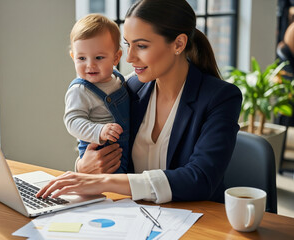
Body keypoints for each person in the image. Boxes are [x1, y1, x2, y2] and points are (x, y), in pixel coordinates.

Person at [37, 0, 242, 204]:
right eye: (127, 44)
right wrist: (84, 167)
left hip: (199, 220)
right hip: (137, 218)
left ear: (178, 44)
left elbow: (201, 180)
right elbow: (97, 145)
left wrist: (105, 181)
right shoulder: (130, 89)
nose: (129, 58)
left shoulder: (221, 98)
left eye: (141, 46)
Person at [64, 14, 129, 173]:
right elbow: (72, 121)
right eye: (81, 58)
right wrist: (99, 130)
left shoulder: (118, 80)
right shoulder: (80, 89)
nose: (90, 65)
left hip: (124, 148)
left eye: (99, 57)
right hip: (100, 150)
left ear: (116, 57)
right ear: (73, 57)